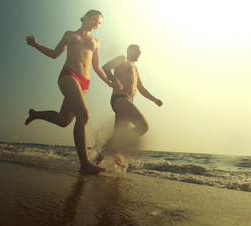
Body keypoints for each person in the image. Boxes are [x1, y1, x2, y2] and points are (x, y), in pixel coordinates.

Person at [25, 10, 118, 175]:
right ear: (86, 18)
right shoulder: (69, 34)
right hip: (69, 75)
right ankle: (85, 164)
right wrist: (36, 45)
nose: (96, 24)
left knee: (63, 120)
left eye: (99, 23)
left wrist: (110, 83)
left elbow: (96, 67)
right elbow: (54, 54)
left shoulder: (96, 41)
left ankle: (36, 114)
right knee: (84, 115)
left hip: (85, 83)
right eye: (95, 20)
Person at [95, 45, 163, 167]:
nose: (139, 53)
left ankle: (96, 161)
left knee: (117, 136)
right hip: (120, 98)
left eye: (140, 52)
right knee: (143, 126)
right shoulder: (122, 59)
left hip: (128, 101)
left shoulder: (135, 69)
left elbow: (141, 89)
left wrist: (155, 100)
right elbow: (105, 67)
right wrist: (113, 79)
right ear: (129, 50)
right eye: (137, 50)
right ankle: (115, 151)